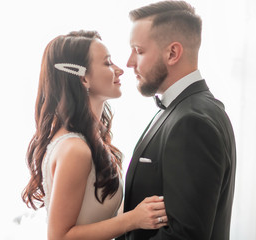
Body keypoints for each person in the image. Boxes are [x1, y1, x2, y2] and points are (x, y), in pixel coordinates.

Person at [21, 30, 168, 240]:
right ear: (83, 78)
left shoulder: (87, 141)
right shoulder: (75, 149)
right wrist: (133, 219)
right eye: (108, 63)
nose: (119, 70)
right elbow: (59, 237)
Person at [118, 1, 236, 240]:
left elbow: (184, 236)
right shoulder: (183, 109)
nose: (129, 62)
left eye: (139, 51)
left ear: (172, 53)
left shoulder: (192, 122)